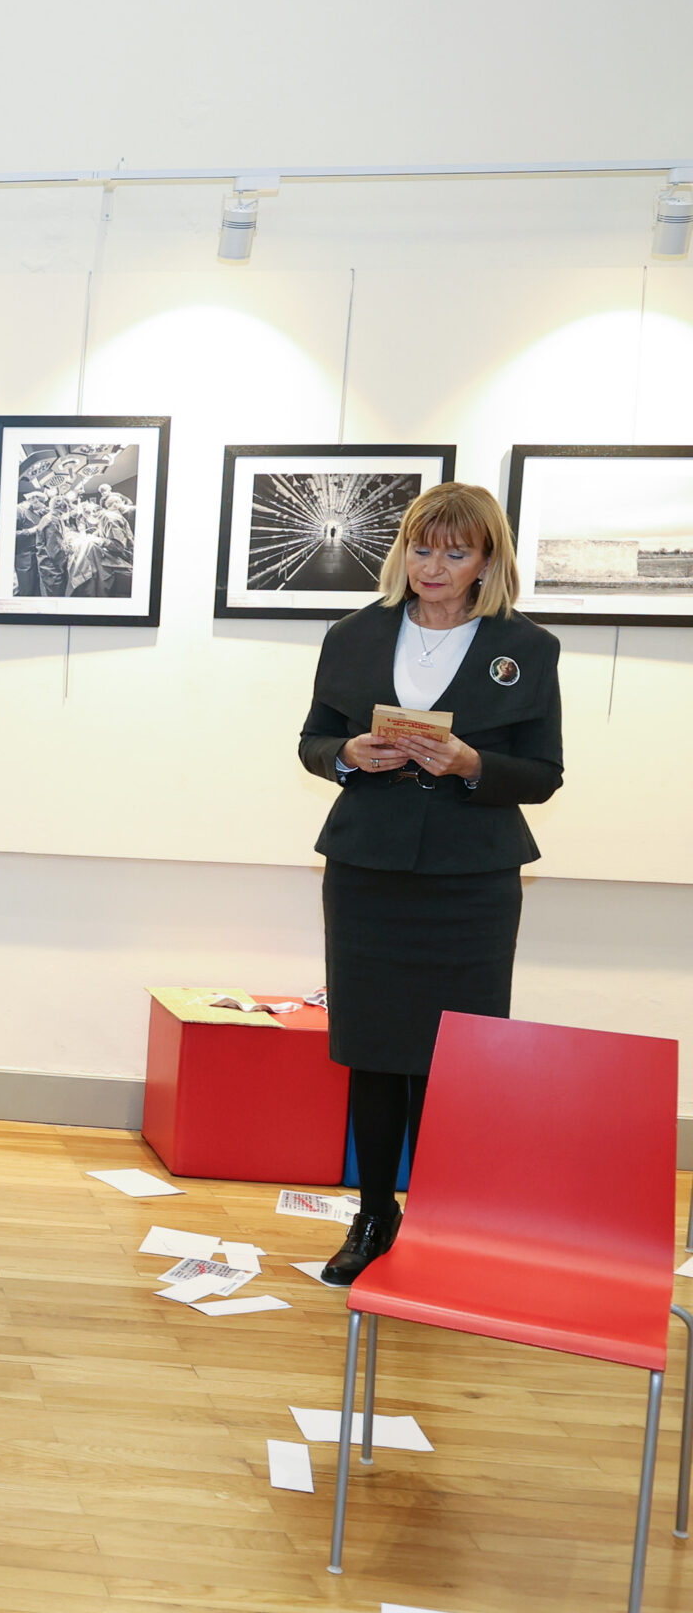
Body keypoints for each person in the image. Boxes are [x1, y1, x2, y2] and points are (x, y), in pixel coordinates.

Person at [296, 483, 562, 1284]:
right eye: (420, 547)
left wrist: (473, 763)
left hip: (469, 880)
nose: (432, 566)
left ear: (487, 560)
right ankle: (375, 1215)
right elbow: (313, 740)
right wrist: (348, 757)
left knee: (456, 1058)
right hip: (369, 870)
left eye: (455, 551)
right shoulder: (353, 634)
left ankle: (448, 1219)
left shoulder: (527, 647)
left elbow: (544, 774)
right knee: (373, 1051)